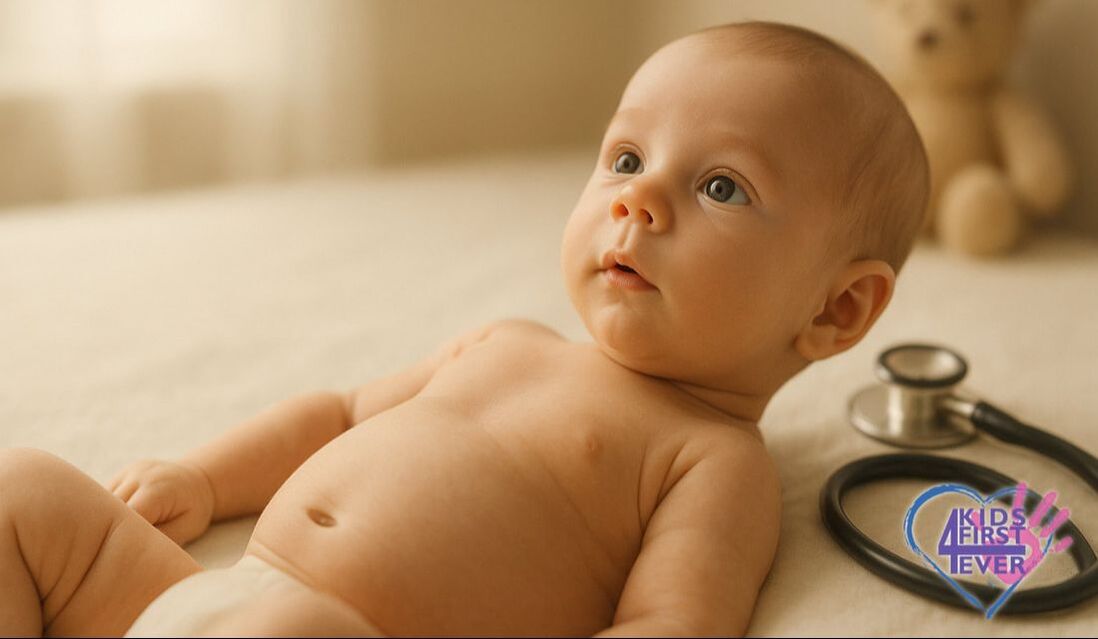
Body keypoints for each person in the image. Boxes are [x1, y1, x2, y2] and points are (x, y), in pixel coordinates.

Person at [0, 20, 928, 637]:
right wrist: (201, 474)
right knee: (23, 490)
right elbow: (336, 411)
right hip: (195, 596)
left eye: (720, 185)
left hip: (333, 631)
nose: (637, 199)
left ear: (834, 309)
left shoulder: (711, 459)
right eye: (627, 157)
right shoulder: (506, 342)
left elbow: (668, 625)